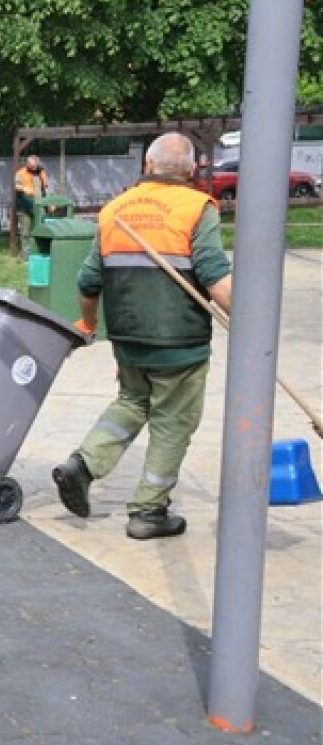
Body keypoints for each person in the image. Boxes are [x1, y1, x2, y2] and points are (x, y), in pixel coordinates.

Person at [51, 133, 232, 540]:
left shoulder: (115, 210)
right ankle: (149, 511)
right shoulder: (196, 208)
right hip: (179, 342)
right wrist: (252, 325)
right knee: (172, 422)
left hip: (129, 340)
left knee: (132, 402)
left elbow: (88, 280)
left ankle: (82, 464)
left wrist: (87, 323)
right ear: (190, 171)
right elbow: (215, 278)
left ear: (148, 167)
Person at [13, 154, 49, 254]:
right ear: (27, 164)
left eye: (36, 166)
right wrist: (24, 188)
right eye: (32, 166)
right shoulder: (20, 173)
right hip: (24, 208)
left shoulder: (41, 172)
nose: (34, 168)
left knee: (40, 230)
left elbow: (46, 188)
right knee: (25, 232)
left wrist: (49, 202)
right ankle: (26, 255)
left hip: (38, 207)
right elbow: (16, 186)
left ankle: (39, 251)